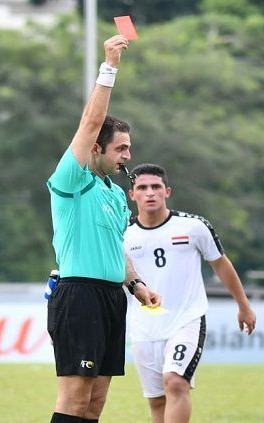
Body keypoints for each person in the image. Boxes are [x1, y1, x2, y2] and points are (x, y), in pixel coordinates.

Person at [45, 34, 161, 423]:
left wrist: (136, 284)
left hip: (113, 297)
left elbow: (115, 248)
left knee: (96, 402)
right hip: (80, 297)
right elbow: (90, 121)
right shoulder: (72, 180)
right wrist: (109, 67)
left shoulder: (113, 193)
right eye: (121, 149)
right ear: (96, 148)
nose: (128, 156)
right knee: (75, 400)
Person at [123, 163, 257, 423]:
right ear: (132, 195)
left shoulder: (194, 226)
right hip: (144, 326)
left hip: (187, 320)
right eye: (142, 187)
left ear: (167, 191)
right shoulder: (122, 233)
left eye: (156, 187)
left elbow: (220, 264)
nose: (150, 192)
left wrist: (243, 305)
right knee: (156, 401)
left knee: (175, 382)